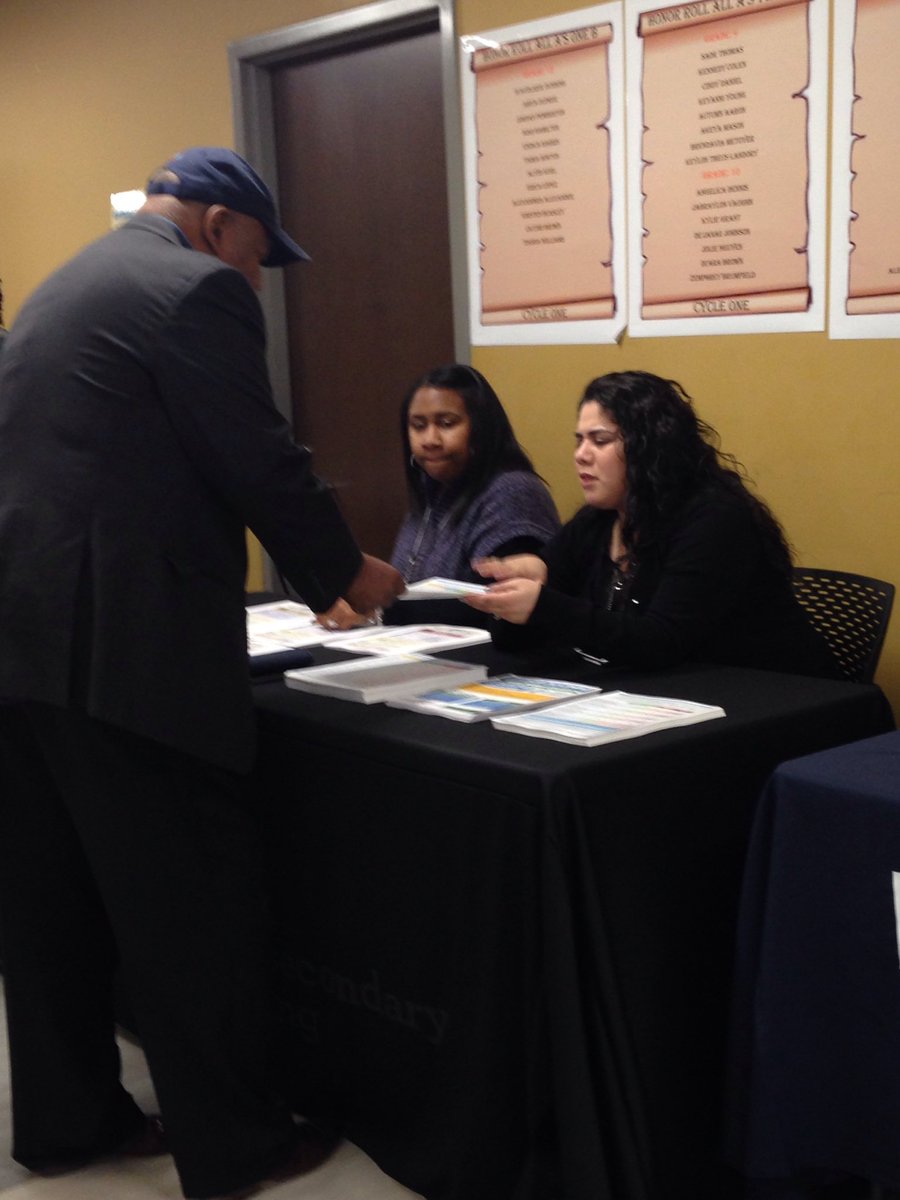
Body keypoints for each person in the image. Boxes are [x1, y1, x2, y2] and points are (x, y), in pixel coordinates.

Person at [0, 147, 403, 1200]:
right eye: (263, 256)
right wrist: (344, 570)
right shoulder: (194, 292)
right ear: (223, 227)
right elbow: (256, 454)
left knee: (51, 908)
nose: (258, 279)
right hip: (126, 650)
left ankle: (65, 1121)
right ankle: (239, 1143)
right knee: (189, 907)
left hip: (21, 645)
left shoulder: (66, 283)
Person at [466, 370, 840, 677]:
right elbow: (513, 643)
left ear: (649, 447)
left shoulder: (715, 518)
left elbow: (661, 641)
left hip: (771, 700)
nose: (581, 455)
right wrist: (521, 594)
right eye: (579, 440)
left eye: (600, 440)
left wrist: (545, 606)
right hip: (670, 698)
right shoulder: (595, 522)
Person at [390, 364, 560, 584]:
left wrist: (377, 609)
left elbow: (491, 605)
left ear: (481, 428)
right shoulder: (429, 490)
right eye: (419, 426)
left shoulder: (512, 492)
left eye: (446, 423)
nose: (430, 439)